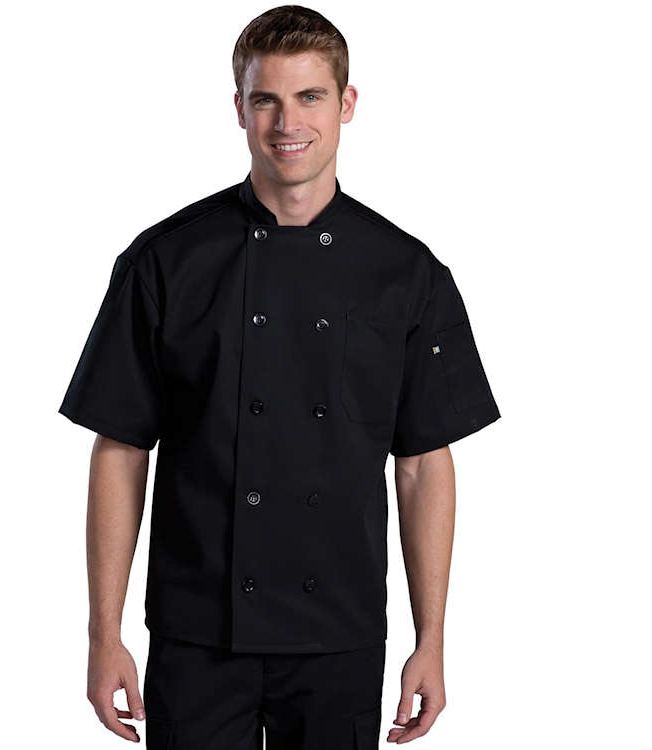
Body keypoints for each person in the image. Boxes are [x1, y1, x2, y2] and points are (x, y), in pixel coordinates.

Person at [58, 5, 501, 748]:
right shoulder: (165, 262)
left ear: (347, 103)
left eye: (310, 96)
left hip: (340, 635)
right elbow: (121, 449)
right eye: (265, 99)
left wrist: (432, 639)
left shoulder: (407, 273)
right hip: (197, 633)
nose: (287, 122)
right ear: (239, 108)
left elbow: (424, 463)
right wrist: (105, 634)